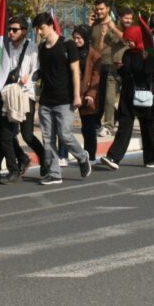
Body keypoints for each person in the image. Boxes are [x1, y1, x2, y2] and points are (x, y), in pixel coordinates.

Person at [32, 12, 91, 185]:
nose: (40, 32)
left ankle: (82, 156)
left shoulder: (67, 45)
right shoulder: (42, 49)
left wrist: (76, 96)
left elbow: (75, 71)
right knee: (48, 138)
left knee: (64, 135)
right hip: (46, 101)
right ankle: (54, 173)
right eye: (37, 29)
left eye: (42, 28)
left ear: (51, 25)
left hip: (65, 99)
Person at [98, 25, 154, 169]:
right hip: (128, 95)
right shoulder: (127, 54)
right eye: (127, 40)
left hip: (144, 96)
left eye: (131, 40)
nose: (128, 43)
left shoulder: (149, 53)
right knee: (124, 126)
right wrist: (121, 69)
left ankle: (152, 158)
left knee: (147, 128)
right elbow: (126, 75)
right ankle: (113, 157)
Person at [0, 15, 44, 182]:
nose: (11, 32)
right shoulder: (5, 48)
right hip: (8, 94)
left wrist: (29, 79)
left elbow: (37, 71)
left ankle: (44, 158)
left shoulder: (33, 48)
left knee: (27, 135)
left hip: (25, 94)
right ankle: (13, 168)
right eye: (9, 29)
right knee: (5, 134)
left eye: (15, 30)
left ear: (24, 31)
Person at [89, 0, 125, 136]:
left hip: (113, 65)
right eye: (97, 9)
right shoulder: (95, 25)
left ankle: (109, 126)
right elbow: (94, 46)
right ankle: (103, 121)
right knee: (100, 97)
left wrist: (112, 27)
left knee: (110, 98)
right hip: (98, 66)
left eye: (101, 9)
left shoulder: (117, 23)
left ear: (108, 9)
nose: (99, 11)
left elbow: (124, 40)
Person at [73, 25, 102, 162]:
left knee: (88, 127)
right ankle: (62, 155)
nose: (76, 41)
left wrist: (91, 94)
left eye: (79, 38)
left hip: (87, 94)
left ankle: (90, 155)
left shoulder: (94, 55)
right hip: (72, 92)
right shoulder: (71, 52)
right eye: (74, 38)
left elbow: (96, 76)